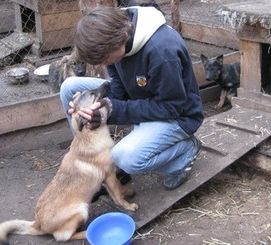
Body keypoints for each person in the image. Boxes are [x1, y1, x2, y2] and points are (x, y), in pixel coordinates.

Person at [60, 5, 204, 190]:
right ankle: (94, 162)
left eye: (104, 60)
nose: (103, 65)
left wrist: (109, 111)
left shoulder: (162, 51)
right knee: (69, 87)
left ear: (120, 40)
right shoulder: (116, 42)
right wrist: (89, 103)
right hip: (143, 101)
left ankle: (185, 151)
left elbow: (172, 106)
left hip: (177, 116)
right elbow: (119, 91)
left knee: (126, 158)